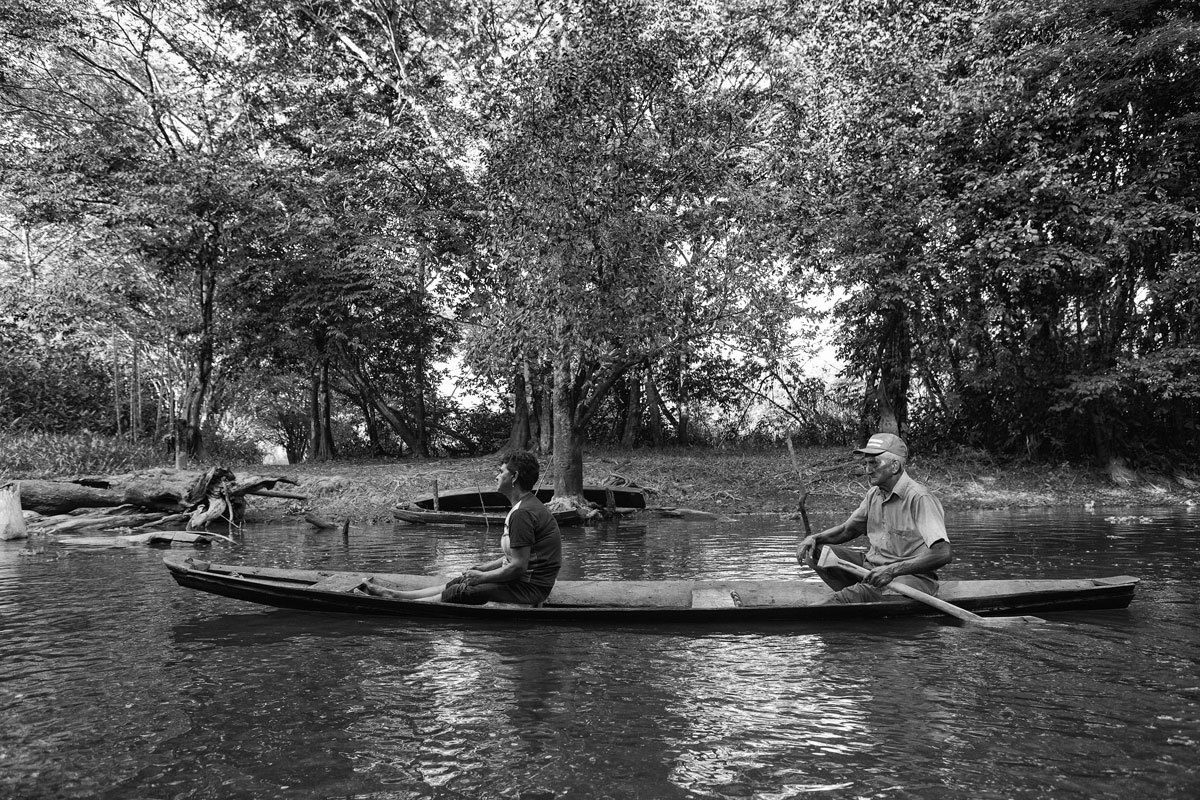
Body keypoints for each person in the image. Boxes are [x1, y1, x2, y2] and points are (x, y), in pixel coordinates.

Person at [363, 450, 562, 605]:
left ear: (514, 477)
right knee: (462, 580)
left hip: (530, 588)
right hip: (524, 582)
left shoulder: (522, 514)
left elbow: (519, 566)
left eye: (501, 472)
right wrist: (485, 568)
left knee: (466, 589)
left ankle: (409, 606)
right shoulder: (523, 507)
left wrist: (483, 577)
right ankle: (397, 595)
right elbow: (517, 554)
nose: (497, 476)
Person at [796, 432, 952, 603]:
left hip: (908, 577)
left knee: (844, 599)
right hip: (871, 570)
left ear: (894, 466)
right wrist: (813, 538)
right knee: (816, 550)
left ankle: (857, 596)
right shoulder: (874, 495)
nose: (868, 470)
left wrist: (892, 570)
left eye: (874, 463)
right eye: (866, 464)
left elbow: (943, 553)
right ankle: (864, 592)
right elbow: (848, 530)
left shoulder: (919, 498)